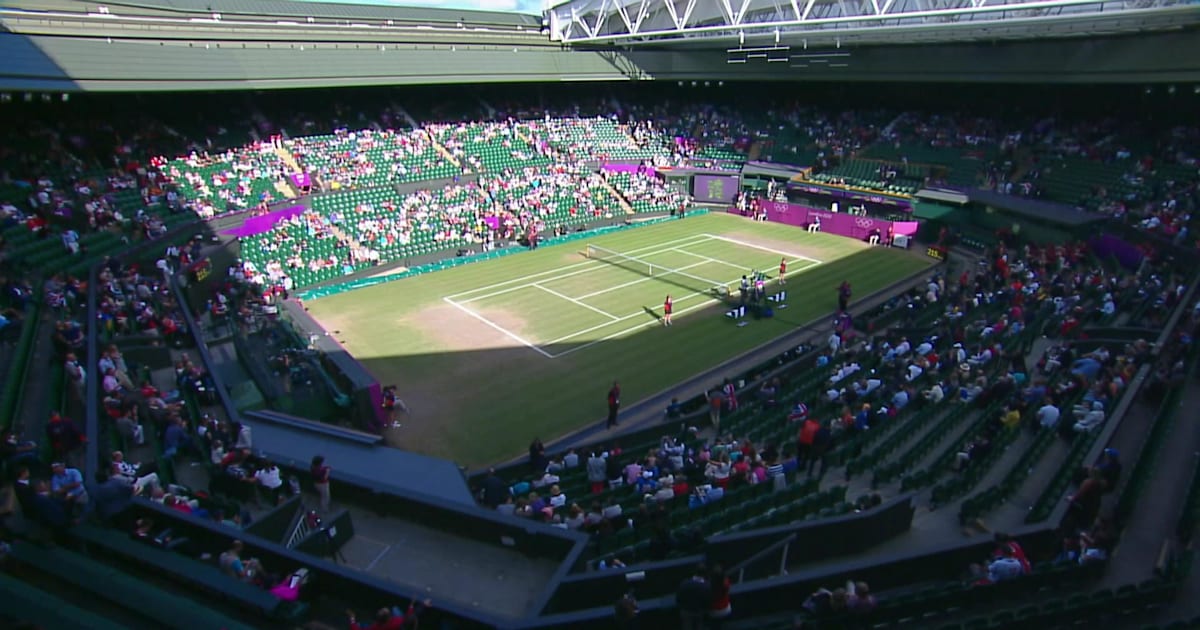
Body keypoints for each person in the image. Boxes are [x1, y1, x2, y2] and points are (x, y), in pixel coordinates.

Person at [347, 599, 431, 630]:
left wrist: (352, 618)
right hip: (401, 623)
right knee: (395, 609)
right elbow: (409, 616)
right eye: (385, 610)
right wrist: (412, 605)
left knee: (363, 626)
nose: (384, 608)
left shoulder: (375, 627)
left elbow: (354, 628)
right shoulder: (397, 621)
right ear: (389, 616)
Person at [676, 565, 710, 630]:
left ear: (695, 572)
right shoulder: (707, 586)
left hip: (686, 611)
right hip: (699, 612)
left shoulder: (684, 583)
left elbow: (678, 598)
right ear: (705, 574)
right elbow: (708, 601)